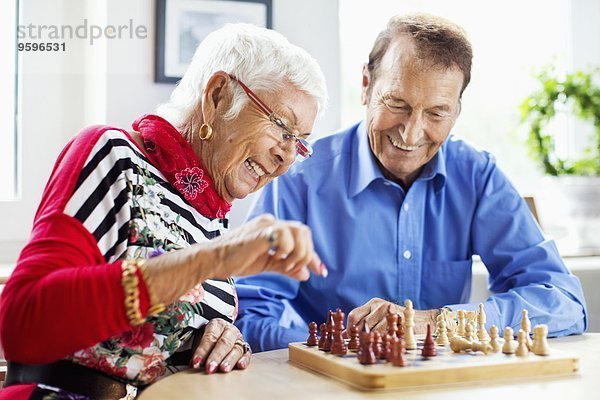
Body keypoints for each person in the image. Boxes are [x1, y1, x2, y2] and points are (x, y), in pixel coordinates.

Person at [0, 23, 328, 399]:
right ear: (218, 96)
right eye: (282, 128)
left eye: (300, 144)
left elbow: (167, 338)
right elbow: (22, 325)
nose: (287, 156)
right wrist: (207, 260)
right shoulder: (115, 156)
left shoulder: (212, 219)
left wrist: (226, 342)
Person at [235, 13, 587, 352]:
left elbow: (564, 302)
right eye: (397, 103)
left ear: (456, 111)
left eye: (436, 113)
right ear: (366, 86)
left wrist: (437, 323)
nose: (411, 132)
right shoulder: (300, 178)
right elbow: (250, 312)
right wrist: (337, 347)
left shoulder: (477, 176)